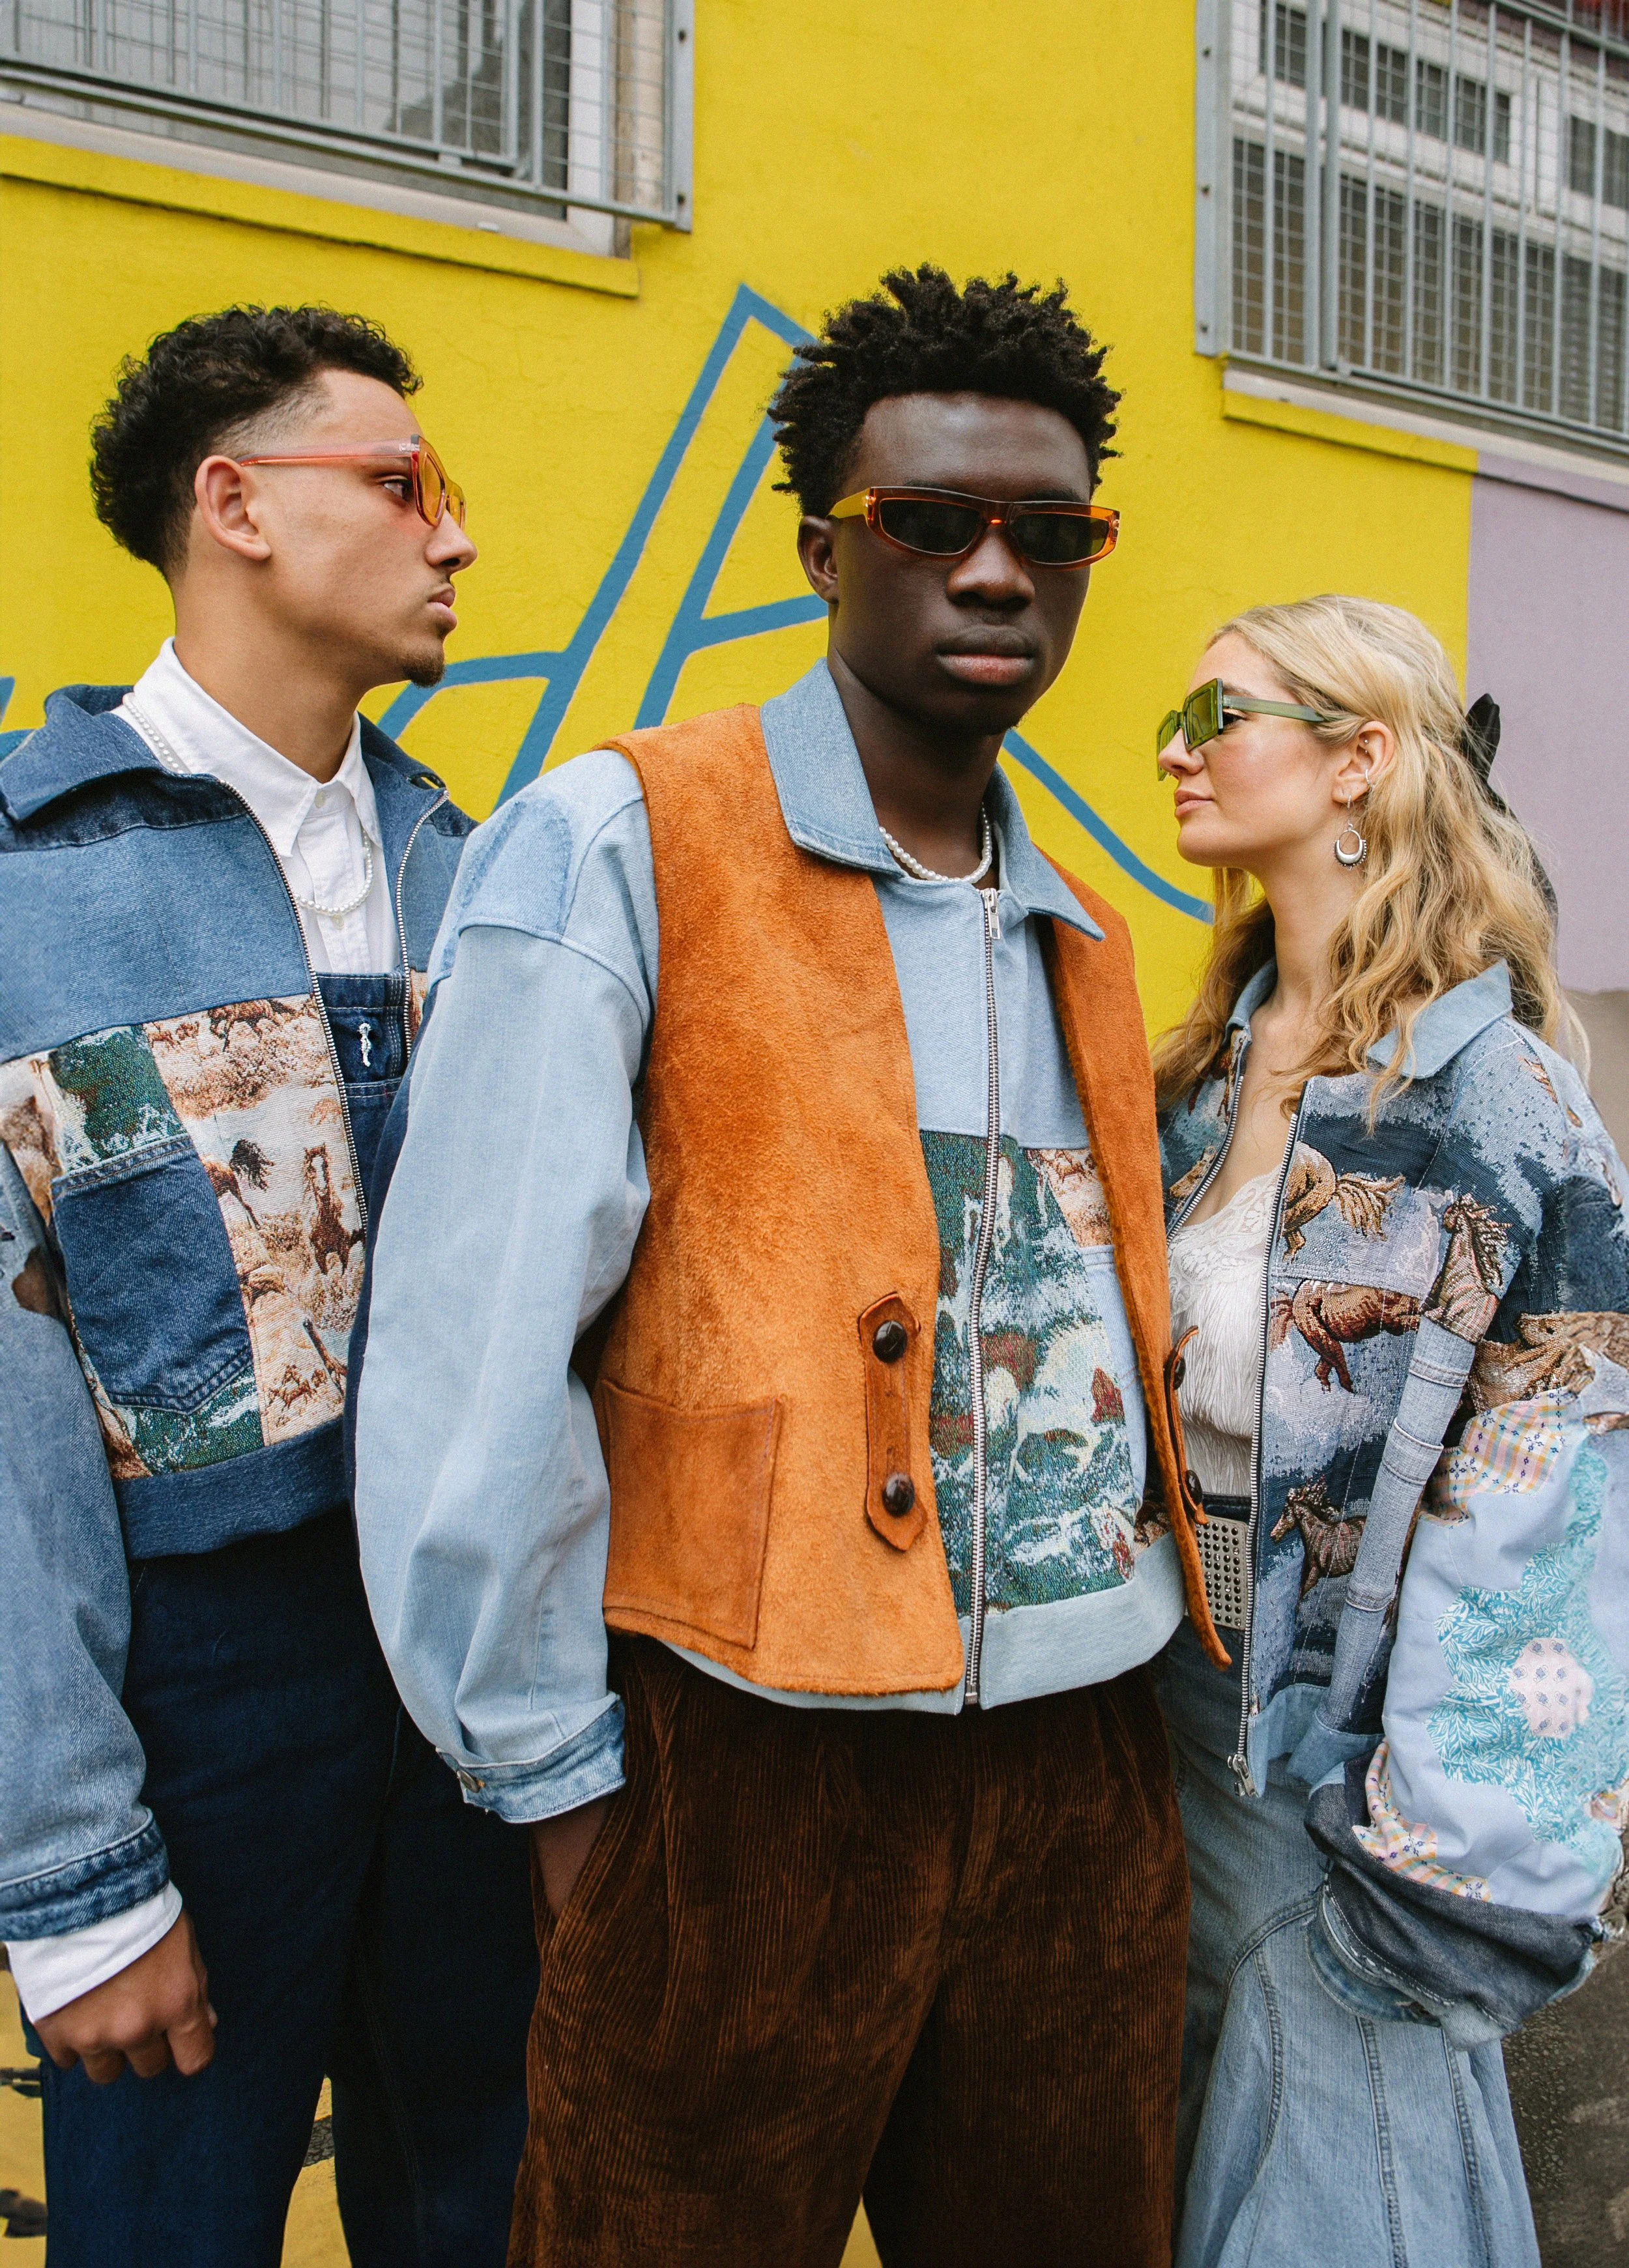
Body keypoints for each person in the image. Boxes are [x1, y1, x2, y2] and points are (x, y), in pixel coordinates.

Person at [352, 264, 1226, 2268]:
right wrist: (563, 1783)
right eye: (930, 525)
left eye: (1049, 533)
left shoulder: (1080, 928)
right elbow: (472, 1347)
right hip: (737, 1762)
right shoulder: (621, 839)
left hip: (1082, 1772)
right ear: (825, 549)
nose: (994, 573)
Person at [0, 306, 538, 2268]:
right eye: (403, 487)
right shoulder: (26, 881)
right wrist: (72, 1876)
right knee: (168, 2235)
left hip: (479, 1669)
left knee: (488, 2210)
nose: (454, 538)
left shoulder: (487, 870)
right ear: (231, 504)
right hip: (194, 1678)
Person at [1151, 594, 1629, 2267]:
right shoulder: (1202, 1067)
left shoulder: (1494, 1106)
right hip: (1165, 1719)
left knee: (1339, 2192)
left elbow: (1549, 1494)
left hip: (1342, 1769)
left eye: (1216, 716)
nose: (1170, 752)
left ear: (1359, 761)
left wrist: (1443, 1856)